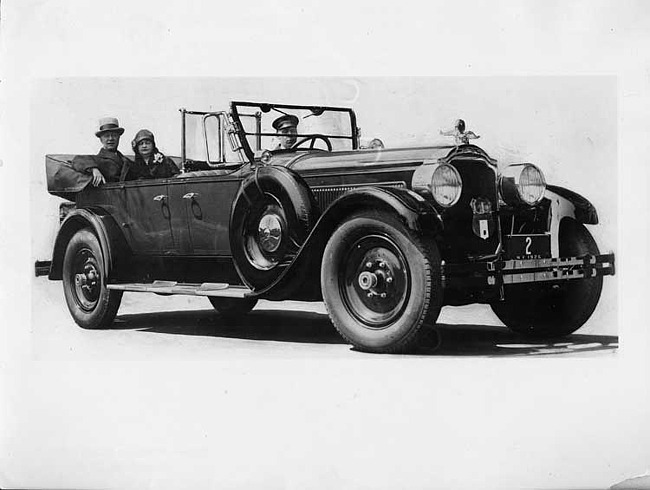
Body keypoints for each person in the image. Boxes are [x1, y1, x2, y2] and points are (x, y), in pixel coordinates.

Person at [71, 117, 137, 186]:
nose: (110, 139)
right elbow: (77, 160)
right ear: (101, 139)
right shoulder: (95, 160)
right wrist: (94, 169)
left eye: (114, 135)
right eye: (106, 136)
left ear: (119, 137)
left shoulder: (126, 161)